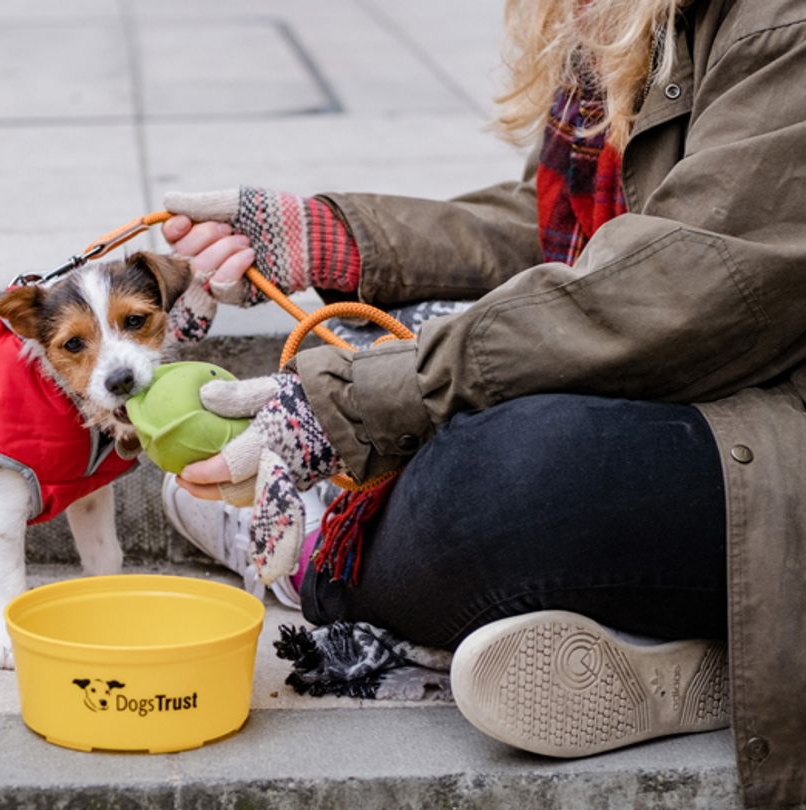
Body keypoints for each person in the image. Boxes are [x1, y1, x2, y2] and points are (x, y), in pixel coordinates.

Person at [156, 1, 806, 806]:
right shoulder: (631, 13)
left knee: (500, 477)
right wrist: (329, 237)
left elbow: (680, 294)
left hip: (775, 424)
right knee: (437, 354)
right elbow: (560, 232)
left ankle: (322, 550)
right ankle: (671, 651)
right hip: (702, 382)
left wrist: (355, 402)